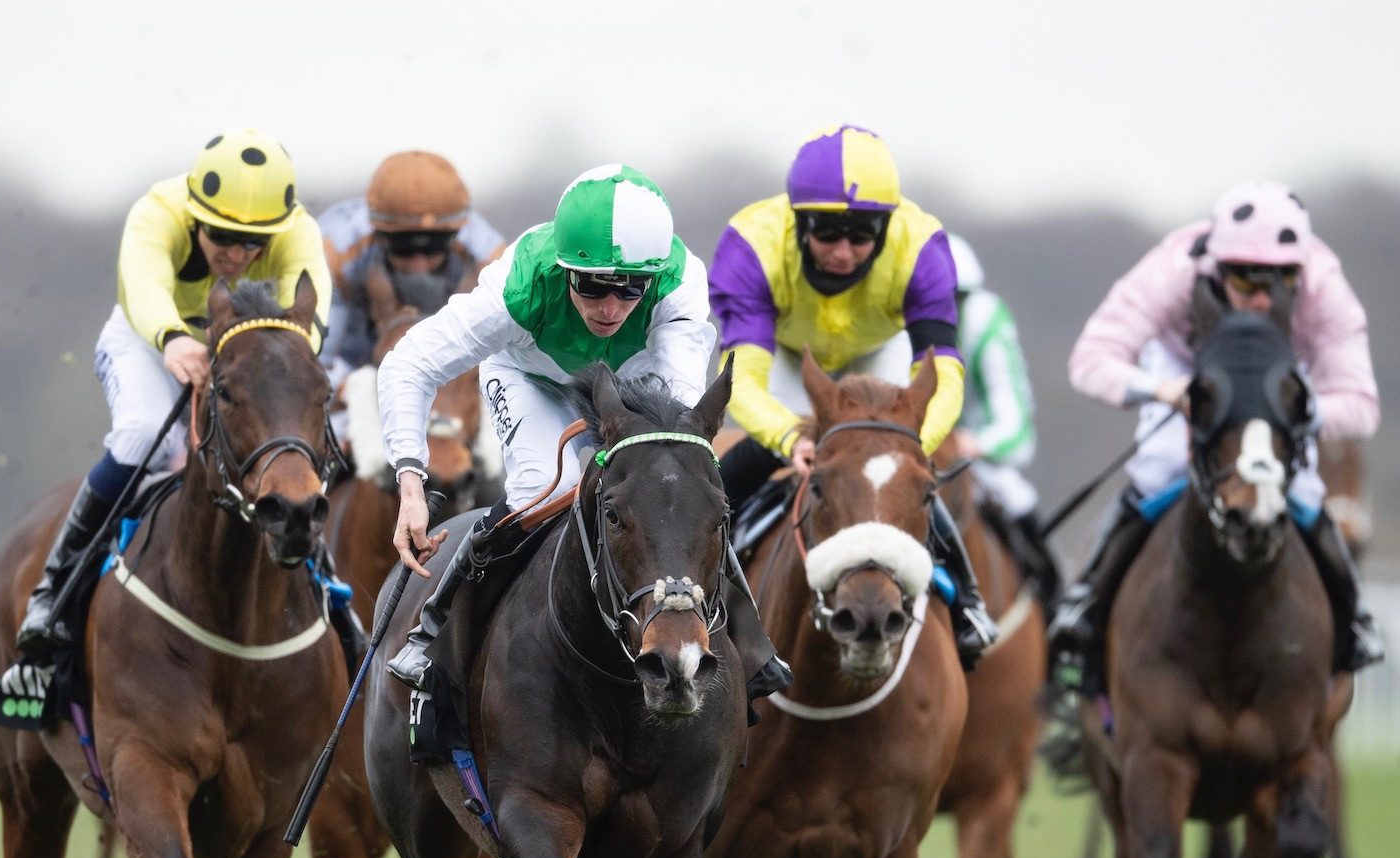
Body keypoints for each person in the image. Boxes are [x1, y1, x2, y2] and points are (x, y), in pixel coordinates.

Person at [379, 163, 789, 702]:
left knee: (675, 483)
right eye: (594, 286)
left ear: (654, 277)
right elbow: (407, 364)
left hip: (634, 383)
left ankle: (748, 640)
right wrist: (411, 483)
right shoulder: (520, 285)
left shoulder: (679, 284)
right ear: (565, 268)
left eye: (629, 290)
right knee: (542, 492)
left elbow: (680, 418)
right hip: (533, 377)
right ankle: (432, 634)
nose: (612, 308)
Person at [11, 128, 358, 666]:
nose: (238, 254)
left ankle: (335, 602)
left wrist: (263, 366)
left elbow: (309, 321)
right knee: (145, 436)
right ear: (197, 217)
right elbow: (142, 286)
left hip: (250, 351)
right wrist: (174, 341)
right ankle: (53, 590)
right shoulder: (157, 213)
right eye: (221, 237)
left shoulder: (299, 232)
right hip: (153, 338)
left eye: (254, 243)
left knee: (294, 452)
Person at [1052, 180, 1384, 695]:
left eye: (1278, 283)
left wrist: (1294, 409)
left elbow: (1361, 407)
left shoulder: (1325, 287)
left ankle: (1352, 614)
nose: (1260, 299)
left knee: (1302, 492)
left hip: (1278, 393)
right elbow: (1090, 360)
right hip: (1187, 374)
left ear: (1300, 274)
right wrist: (1161, 389)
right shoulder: (1174, 269)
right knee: (1159, 468)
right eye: (1245, 282)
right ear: (1216, 267)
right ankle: (1087, 603)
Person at [707, 124, 996, 668]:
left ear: (886, 228)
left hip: (878, 357)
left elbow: (945, 374)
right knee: (743, 467)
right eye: (826, 234)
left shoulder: (923, 245)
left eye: (861, 236)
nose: (843, 252)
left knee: (904, 476)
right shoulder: (752, 244)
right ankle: (703, 587)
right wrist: (789, 434)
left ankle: (968, 602)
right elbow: (740, 381)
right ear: (798, 224)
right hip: (786, 362)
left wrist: (906, 442)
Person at [317, 150, 506, 382]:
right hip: (355, 366)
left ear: (456, 235)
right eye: (403, 246)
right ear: (378, 234)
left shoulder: (490, 261)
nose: (419, 265)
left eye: (434, 247)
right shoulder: (335, 252)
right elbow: (318, 366)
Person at [946, 234, 1059, 610]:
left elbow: (1015, 426)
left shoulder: (985, 320)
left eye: (950, 302)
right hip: (906, 447)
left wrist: (972, 443)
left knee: (1019, 501)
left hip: (971, 455)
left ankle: (1057, 617)